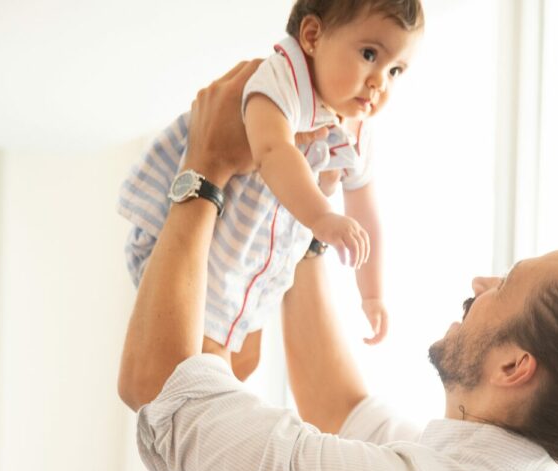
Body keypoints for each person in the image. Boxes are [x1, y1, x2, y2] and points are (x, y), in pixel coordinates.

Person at [117, 60, 558, 471]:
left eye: (506, 285)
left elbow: (162, 391)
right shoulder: (476, 465)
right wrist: (308, 223)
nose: (480, 284)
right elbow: (337, 406)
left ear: (516, 365)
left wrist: (206, 167)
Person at [117, 0, 424, 380]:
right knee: (200, 366)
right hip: (208, 245)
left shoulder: (356, 126)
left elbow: (366, 210)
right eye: (368, 54)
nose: (381, 82)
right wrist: (323, 217)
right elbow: (272, 151)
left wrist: (372, 293)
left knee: (245, 361)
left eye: (396, 70)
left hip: (252, 263)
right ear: (312, 37)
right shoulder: (280, 79)